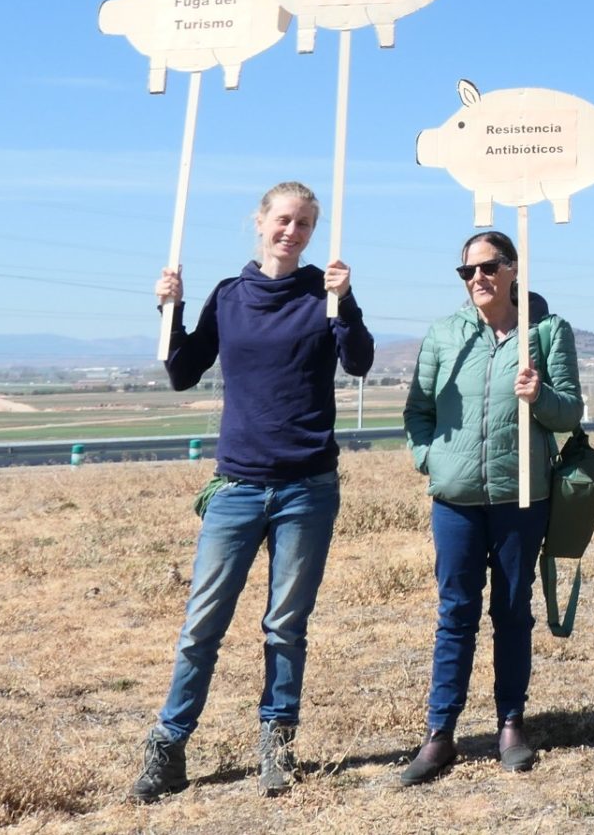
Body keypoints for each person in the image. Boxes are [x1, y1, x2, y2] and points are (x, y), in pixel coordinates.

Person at [131, 181, 374, 802]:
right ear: (260, 222)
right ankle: (169, 745)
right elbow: (183, 372)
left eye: (305, 225)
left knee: (285, 626)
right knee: (201, 625)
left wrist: (345, 303)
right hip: (237, 485)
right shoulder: (230, 296)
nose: (293, 232)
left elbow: (360, 362)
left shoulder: (324, 293)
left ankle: (277, 744)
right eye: (284, 220)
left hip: (307, 487)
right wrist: (170, 311)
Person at [397, 229, 584, 782]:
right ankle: (440, 733)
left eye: (487, 267)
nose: (476, 278)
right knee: (455, 612)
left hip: (521, 496)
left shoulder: (547, 333)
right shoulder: (442, 335)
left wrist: (540, 396)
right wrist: (430, 459)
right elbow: (418, 411)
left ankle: (511, 723)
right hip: (455, 500)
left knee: (510, 610)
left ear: (512, 269)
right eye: (466, 271)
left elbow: (569, 413)